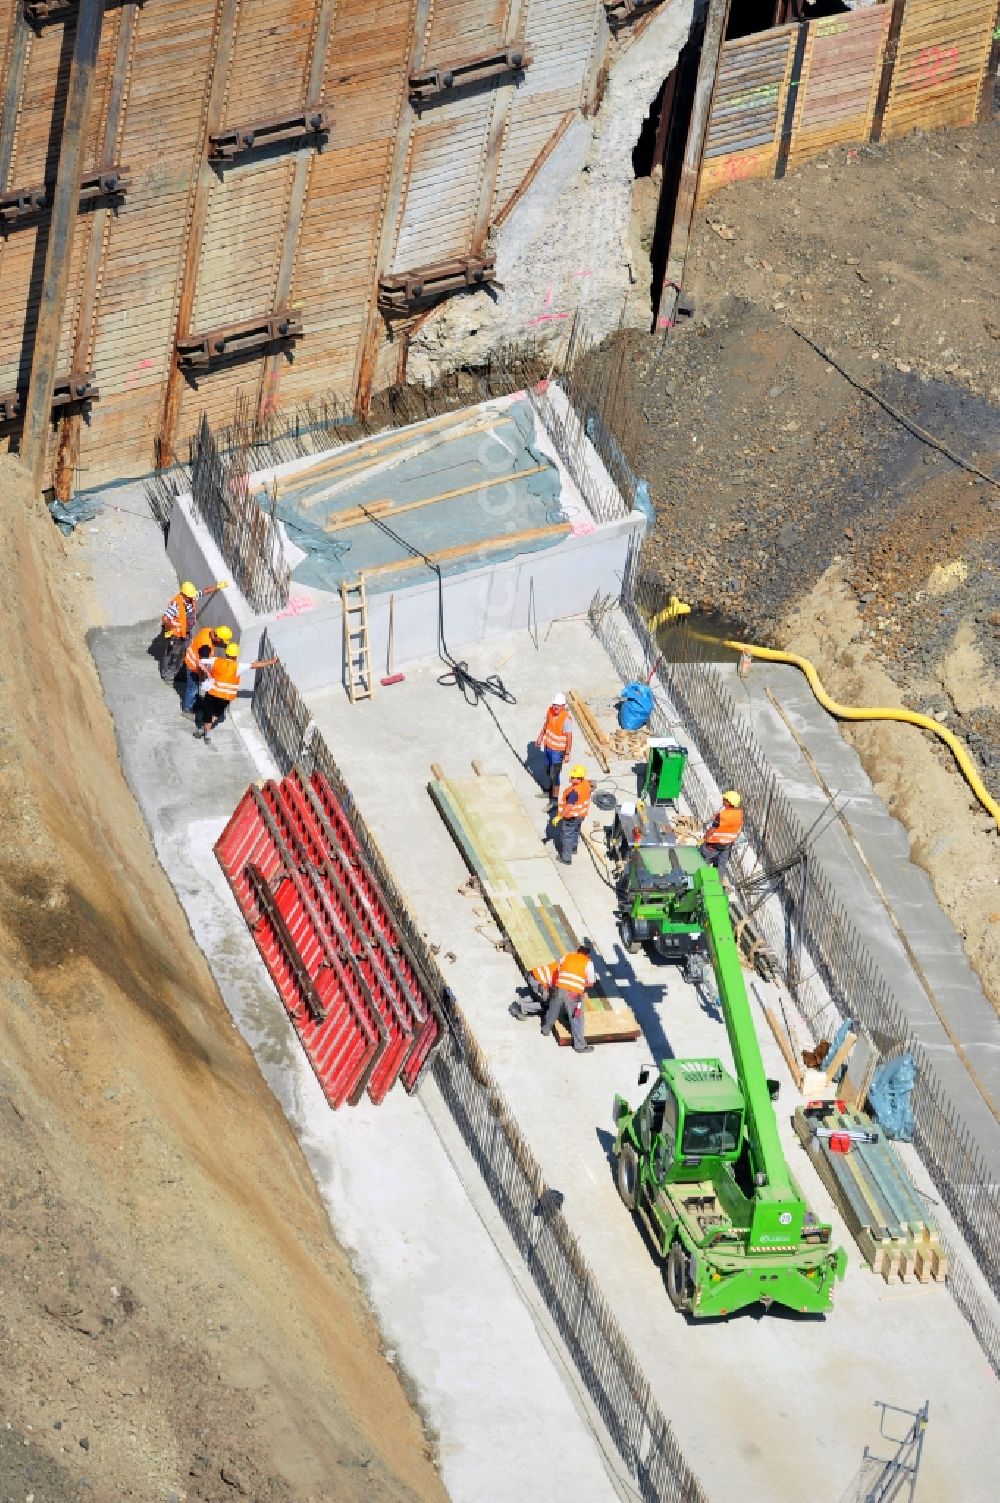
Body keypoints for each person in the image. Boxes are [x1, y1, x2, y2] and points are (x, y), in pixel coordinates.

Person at [194, 642, 278, 744]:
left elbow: (200, 662)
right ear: (236, 655)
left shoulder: (216, 660)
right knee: (216, 713)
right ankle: (206, 731)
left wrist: (206, 673)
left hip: (212, 693)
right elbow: (256, 665)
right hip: (226, 697)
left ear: (226, 653)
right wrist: (271, 661)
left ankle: (204, 731)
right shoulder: (238, 666)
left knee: (208, 712)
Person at [158, 578, 227, 683]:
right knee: (172, 654)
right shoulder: (176, 604)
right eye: (189, 597)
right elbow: (165, 618)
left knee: (183, 653)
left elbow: (204, 591)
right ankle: (167, 674)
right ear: (183, 595)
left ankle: (177, 672)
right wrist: (170, 628)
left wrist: (217, 587)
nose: (191, 598)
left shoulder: (191, 597)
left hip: (185, 633)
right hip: (176, 636)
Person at [541, 941, 596, 1054]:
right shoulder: (588, 962)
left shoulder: (567, 956)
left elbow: (559, 969)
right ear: (588, 954)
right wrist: (581, 984)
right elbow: (591, 982)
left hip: (560, 988)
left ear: (578, 950)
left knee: (553, 1010)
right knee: (576, 1018)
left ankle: (545, 1030)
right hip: (574, 994)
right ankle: (580, 1046)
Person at [181, 623, 232, 717]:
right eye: (222, 641)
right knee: (193, 689)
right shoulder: (206, 647)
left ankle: (193, 702)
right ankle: (187, 709)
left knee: (194, 688)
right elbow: (201, 665)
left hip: (190, 660)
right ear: (217, 637)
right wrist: (202, 678)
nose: (221, 643)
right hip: (193, 667)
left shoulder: (208, 630)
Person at [535, 692, 573, 801]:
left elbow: (569, 738)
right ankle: (550, 791)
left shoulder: (566, 719)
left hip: (558, 751)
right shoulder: (550, 711)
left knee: (555, 774)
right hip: (548, 747)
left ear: (563, 706)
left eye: (559, 705)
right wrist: (540, 737)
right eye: (555, 705)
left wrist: (567, 754)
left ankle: (554, 800)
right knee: (548, 770)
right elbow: (546, 724)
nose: (556, 707)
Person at [700, 790, 744, 882]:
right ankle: (718, 882)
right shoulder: (739, 814)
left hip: (714, 844)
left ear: (729, 802)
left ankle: (704, 879)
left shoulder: (722, 815)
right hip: (728, 845)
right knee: (721, 864)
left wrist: (705, 839)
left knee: (704, 855)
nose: (722, 800)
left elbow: (712, 830)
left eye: (724, 799)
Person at [551, 764, 591, 865]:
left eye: (573, 777)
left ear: (579, 779)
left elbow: (568, 806)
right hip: (580, 815)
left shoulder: (574, 792)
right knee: (576, 831)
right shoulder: (585, 784)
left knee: (567, 836)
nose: (571, 778)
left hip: (570, 817)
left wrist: (559, 817)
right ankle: (573, 847)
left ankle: (566, 858)